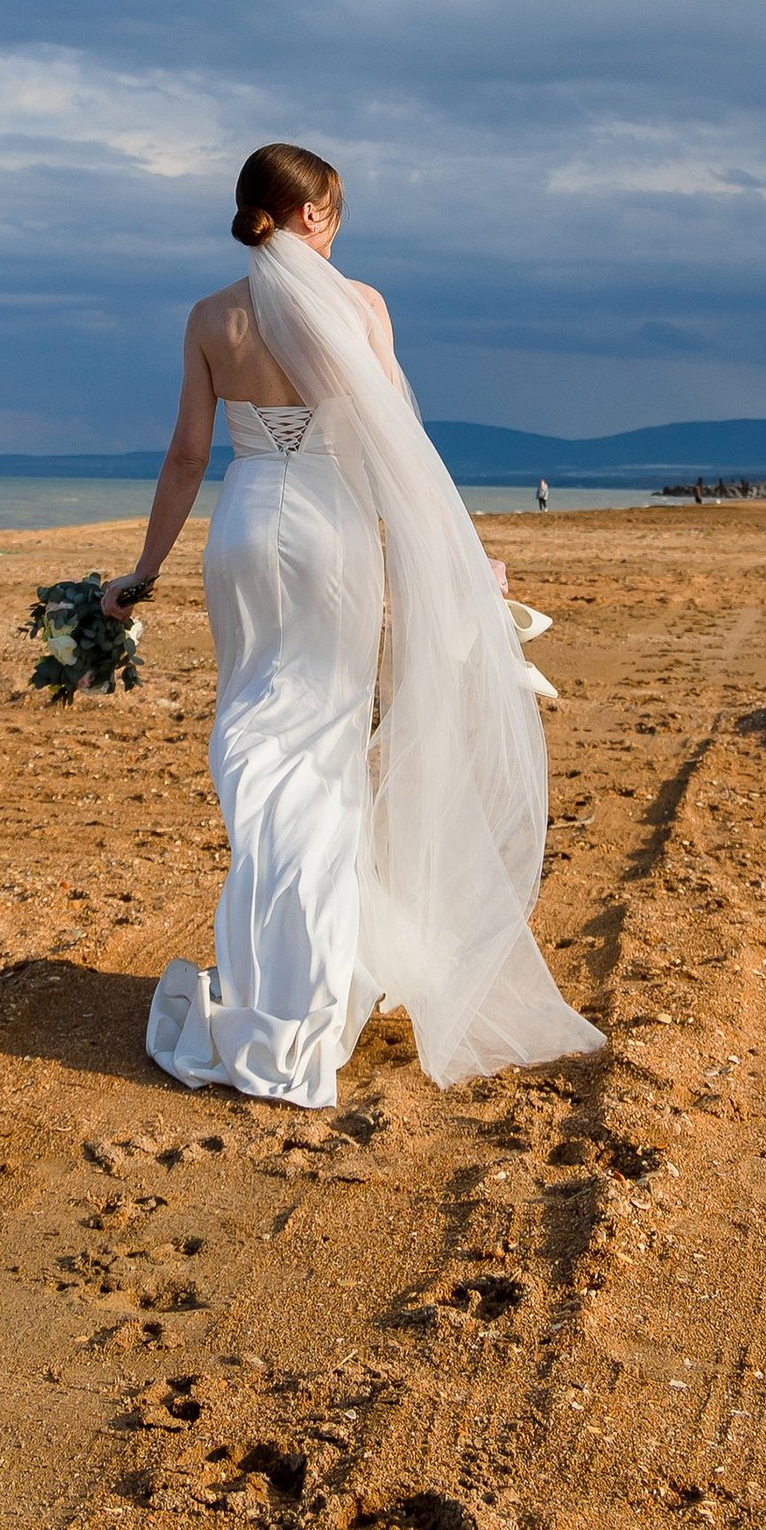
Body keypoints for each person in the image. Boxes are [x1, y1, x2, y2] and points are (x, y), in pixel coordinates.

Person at [104, 142, 602, 1108]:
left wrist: (142, 572)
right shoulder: (360, 307)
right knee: (322, 750)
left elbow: (183, 457)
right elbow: (395, 446)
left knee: (252, 745)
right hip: (334, 533)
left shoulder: (211, 317)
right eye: (336, 208)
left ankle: (267, 981)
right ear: (317, 215)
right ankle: (308, 995)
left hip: (246, 530)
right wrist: (454, 554)